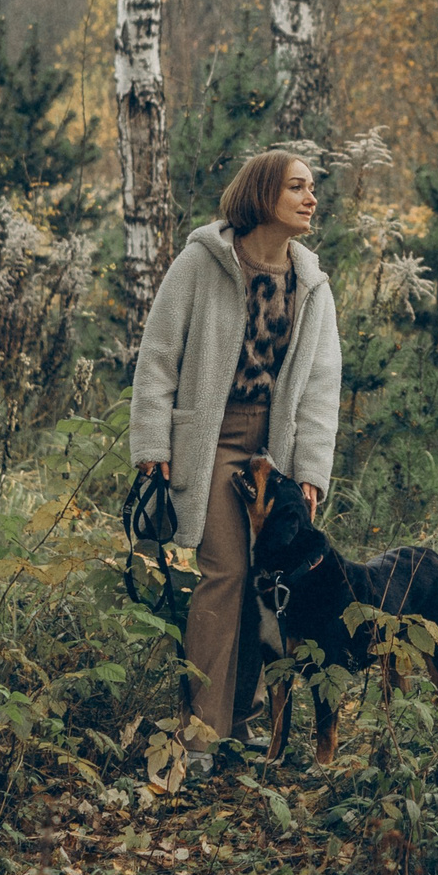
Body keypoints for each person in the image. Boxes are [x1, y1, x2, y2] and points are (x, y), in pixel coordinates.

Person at [128, 150, 342, 746]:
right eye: (297, 187)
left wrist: (310, 474)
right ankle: (200, 736)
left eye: (312, 188)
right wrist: (151, 441)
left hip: (272, 453)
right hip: (208, 440)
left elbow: (323, 389)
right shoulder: (203, 261)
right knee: (226, 573)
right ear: (263, 194)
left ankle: (246, 723)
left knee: (264, 585)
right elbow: (158, 355)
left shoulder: (312, 284)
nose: (310, 198)